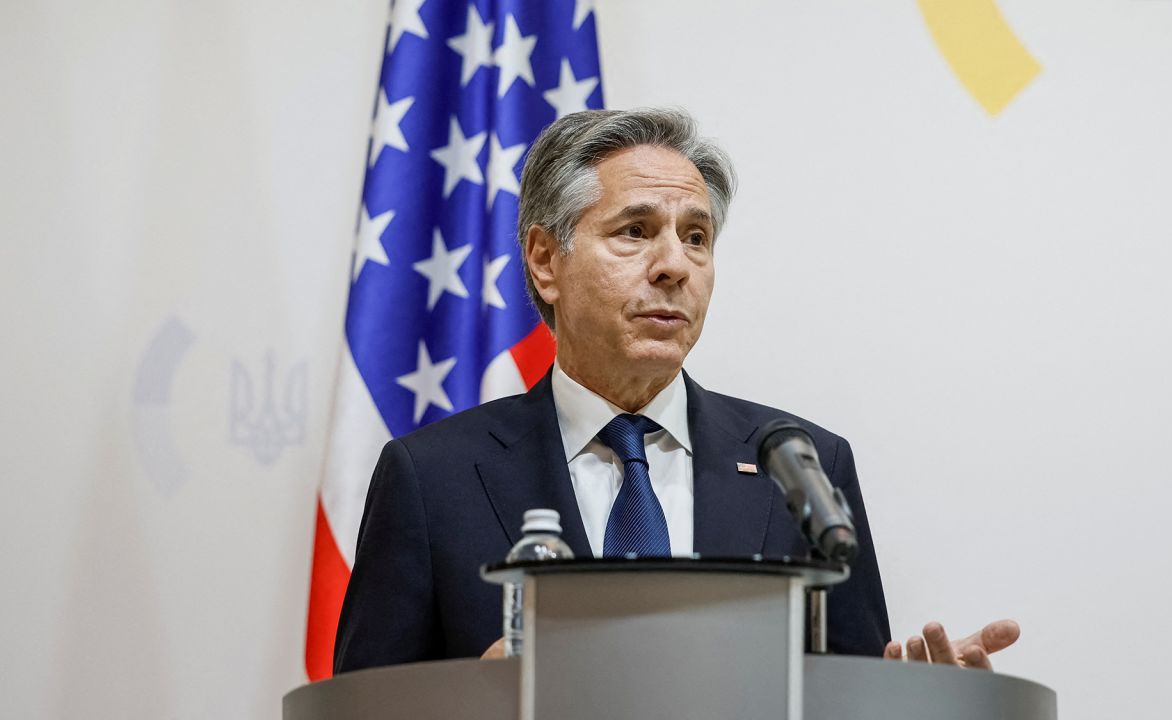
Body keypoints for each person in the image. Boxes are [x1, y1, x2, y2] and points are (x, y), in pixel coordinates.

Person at [333, 108, 1018, 674]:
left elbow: (852, 693)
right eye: (635, 232)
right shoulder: (432, 477)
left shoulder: (802, 465)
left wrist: (923, 700)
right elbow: (359, 710)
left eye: (697, 238)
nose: (674, 267)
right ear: (546, 261)